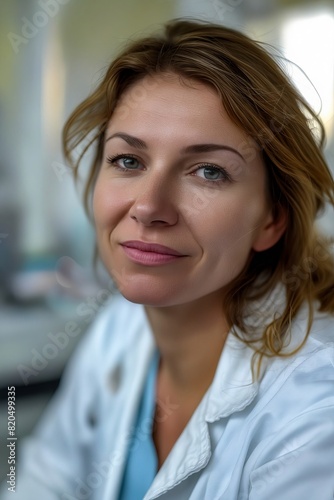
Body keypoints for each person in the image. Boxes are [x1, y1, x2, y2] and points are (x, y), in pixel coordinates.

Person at [2, 18, 334, 500]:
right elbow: (43, 481)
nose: (149, 207)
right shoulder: (121, 329)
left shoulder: (313, 415)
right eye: (129, 161)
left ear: (272, 220)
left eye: (208, 171)